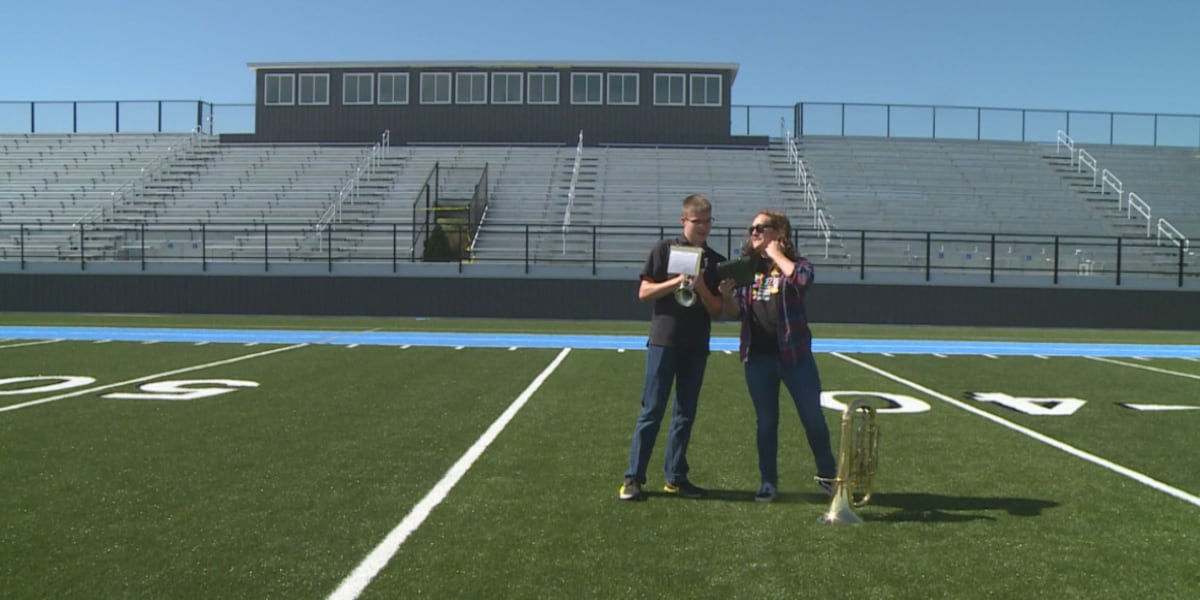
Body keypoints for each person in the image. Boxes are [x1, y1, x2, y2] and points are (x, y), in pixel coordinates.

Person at [718, 210, 837, 503]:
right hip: (758, 358)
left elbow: (803, 282)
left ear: (779, 232)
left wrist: (777, 254)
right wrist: (725, 297)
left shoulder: (797, 264)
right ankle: (768, 482)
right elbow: (736, 313)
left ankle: (829, 477)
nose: (754, 233)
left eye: (761, 228)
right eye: (751, 229)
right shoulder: (746, 270)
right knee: (766, 423)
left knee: (813, 419)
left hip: (795, 358)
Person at [619, 194, 725, 501]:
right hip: (664, 342)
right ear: (684, 221)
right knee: (651, 411)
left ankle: (676, 476)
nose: (704, 227)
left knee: (685, 414)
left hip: (696, 345)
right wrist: (678, 281)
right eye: (698, 221)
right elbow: (644, 292)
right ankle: (633, 477)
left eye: (708, 221)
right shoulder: (664, 249)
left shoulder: (715, 261)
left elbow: (717, 310)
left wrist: (702, 286)